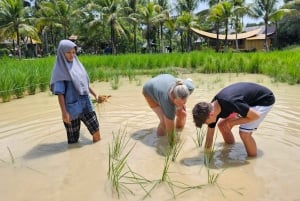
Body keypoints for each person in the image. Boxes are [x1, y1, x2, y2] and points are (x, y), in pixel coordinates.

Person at [192, 82, 275, 157]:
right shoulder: (211, 108)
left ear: (211, 115)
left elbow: (256, 116)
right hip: (244, 102)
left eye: (205, 122)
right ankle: (230, 147)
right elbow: (210, 136)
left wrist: (232, 123)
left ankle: (252, 160)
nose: (207, 124)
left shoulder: (231, 102)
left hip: (264, 100)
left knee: (244, 134)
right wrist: (206, 155)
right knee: (222, 125)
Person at [50, 39, 101, 144]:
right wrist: (64, 113)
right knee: (73, 142)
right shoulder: (60, 71)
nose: (71, 55)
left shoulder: (77, 65)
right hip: (71, 110)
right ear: (61, 53)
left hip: (86, 105)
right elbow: (60, 94)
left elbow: (85, 84)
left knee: (97, 135)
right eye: (68, 52)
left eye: (73, 52)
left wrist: (95, 94)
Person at [143, 74, 194, 138]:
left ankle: (178, 131)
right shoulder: (167, 102)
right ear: (172, 97)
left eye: (184, 102)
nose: (182, 105)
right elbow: (170, 134)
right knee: (164, 122)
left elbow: (189, 80)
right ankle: (160, 140)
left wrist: (180, 105)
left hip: (165, 79)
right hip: (149, 90)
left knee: (182, 114)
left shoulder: (189, 88)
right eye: (179, 103)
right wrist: (172, 145)